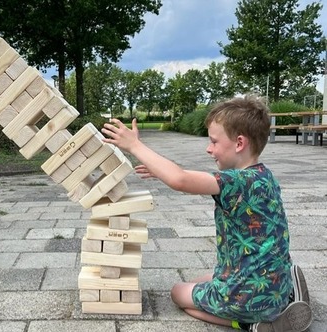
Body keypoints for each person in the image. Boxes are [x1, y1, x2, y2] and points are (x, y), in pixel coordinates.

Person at [101, 95, 312, 332]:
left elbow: (180, 179)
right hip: (272, 282)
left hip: (246, 296)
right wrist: (160, 171)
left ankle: (255, 324)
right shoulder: (264, 175)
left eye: (213, 141)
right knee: (205, 278)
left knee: (178, 293)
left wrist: (134, 146)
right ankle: (285, 296)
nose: (208, 148)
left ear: (239, 143)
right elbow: (185, 174)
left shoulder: (235, 182)